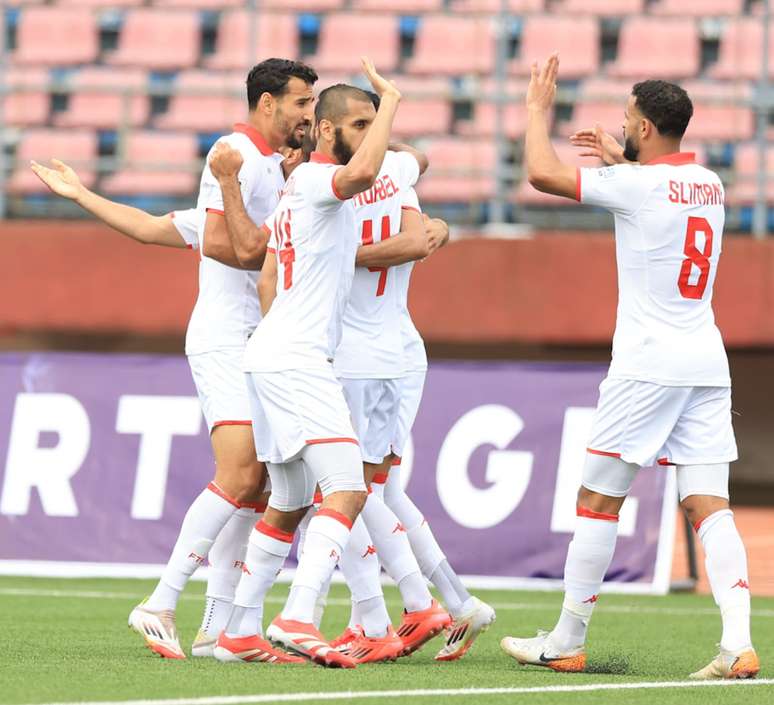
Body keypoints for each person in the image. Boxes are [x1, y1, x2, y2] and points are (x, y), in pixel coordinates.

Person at [31, 58, 318, 660]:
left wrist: (81, 193)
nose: (306, 115)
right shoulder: (233, 153)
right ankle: (160, 601)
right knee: (241, 473)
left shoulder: (270, 166)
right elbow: (224, 244)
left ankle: (218, 629)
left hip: (256, 340)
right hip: (227, 338)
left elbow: (153, 228)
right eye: (299, 103)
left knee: (259, 483)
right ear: (266, 104)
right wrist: (287, 244)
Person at [500, 54, 759, 680]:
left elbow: (541, 173)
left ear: (643, 128)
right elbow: (660, 196)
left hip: (647, 365)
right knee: (709, 506)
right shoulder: (713, 184)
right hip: (705, 358)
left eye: (627, 122)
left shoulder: (636, 185)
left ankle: (566, 638)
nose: (621, 128)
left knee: (596, 499)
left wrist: (538, 109)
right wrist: (622, 160)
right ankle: (737, 644)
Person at [210, 58, 403, 669]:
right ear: (327, 131)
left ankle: (238, 631)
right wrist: (393, 98)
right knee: (346, 487)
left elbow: (269, 268)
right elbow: (367, 168)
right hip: (295, 358)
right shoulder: (320, 182)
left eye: (375, 120)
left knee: (289, 499)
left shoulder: (299, 187)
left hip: (273, 352)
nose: (372, 131)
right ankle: (297, 615)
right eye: (361, 121)